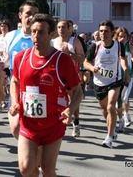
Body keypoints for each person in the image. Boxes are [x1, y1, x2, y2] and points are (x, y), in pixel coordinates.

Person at [9, 13, 82, 176]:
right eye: (33, 31)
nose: (36, 36)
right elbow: (15, 81)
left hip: (53, 124)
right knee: (26, 168)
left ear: (51, 35)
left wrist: (71, 108)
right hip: (28, 123)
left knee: (48, 170)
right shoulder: (21, 58)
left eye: (41, 32)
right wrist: (15, 101)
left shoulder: (62, 61)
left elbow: (78, 92)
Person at [84, 20, 130, 148]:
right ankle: (112, 125)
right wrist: (92, 68)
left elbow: (123, 60)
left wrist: (126, 72)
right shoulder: (95, 46)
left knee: (111, 106)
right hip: (99, 82)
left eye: (106, 31)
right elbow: (85, 62)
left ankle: (109, 138)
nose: (103, 33)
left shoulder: (119, 46)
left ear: (112, 33)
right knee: (105, 110)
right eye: (101, 31)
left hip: (115, 81)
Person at [3, 0, 39, 139]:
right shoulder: (10, 36)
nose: (31, 17)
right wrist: (1, 65)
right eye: (28, 13)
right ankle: (29, 152)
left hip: (36, 89)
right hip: (16, 86)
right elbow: (8, 59)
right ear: (20, 15)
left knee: (36, 129)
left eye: (35, 14)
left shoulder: (43, 38)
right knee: (16, 127)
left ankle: (32, 157)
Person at [52, 20, 85, 138]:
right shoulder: (53, 42)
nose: (61, 29)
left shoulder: (74, 41)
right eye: (59, 27)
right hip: (56, 76)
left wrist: (69, 55)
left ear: (69, 28)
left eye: (63, 27)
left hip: (71, 75)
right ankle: (57, 122)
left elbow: (82, 59)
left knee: (72, 99)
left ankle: (76, 121)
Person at [113, 27, 133, 132]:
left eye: (124, 36)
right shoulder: (113, 47)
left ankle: (126, 114)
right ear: (117, 37)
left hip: (128, 76)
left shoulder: (130, 47)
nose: (122, 38)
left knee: (125, 98)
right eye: (120, 36)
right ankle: (120, 120)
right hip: (116, 77)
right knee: (117, 102)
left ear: (127, 37)